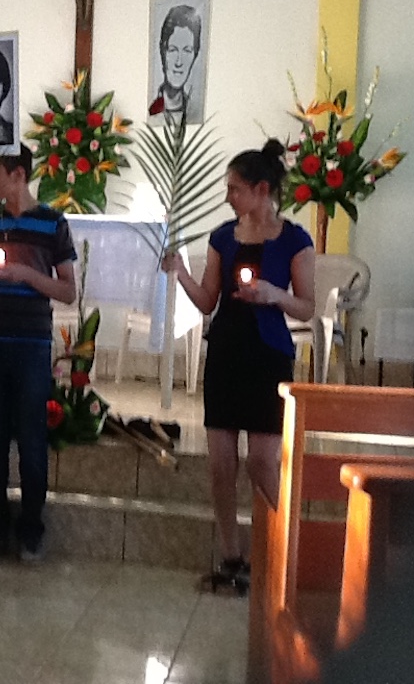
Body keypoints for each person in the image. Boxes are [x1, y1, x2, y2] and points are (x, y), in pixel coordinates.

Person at [161, 139, 315, 591]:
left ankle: (279, 554)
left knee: (264, 464)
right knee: (220, 462)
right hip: (227, 350)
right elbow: (209, 300)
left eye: (235, 188)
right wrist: (182, 273)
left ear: (262, 189)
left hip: (268, 355)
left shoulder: (293, 239)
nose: (228, 196)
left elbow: (306, 307)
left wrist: (274, 295)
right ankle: (232, 554)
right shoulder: (222, 237)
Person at [0, 144, 77, 562]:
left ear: (17, 175)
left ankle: (31, 528)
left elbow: (68, 291)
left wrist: (25, 274)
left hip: (31, 343)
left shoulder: (51, 223)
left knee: (31, 439)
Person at [148, 4, 202, 126]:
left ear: (195, 55)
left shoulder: (194, 110)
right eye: (172, 50)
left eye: (187, 51)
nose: (179, 62)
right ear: (163, 52)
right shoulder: (151, 109)